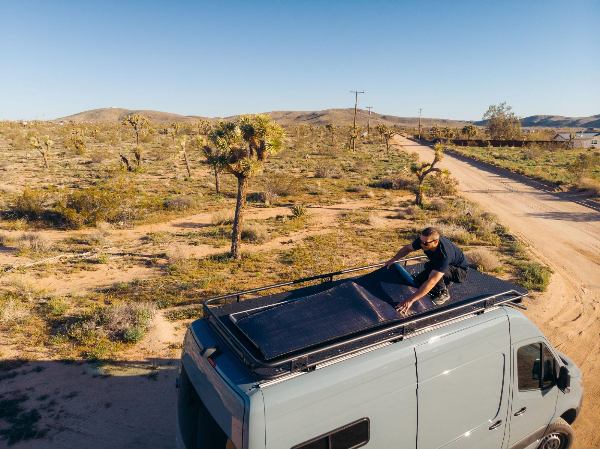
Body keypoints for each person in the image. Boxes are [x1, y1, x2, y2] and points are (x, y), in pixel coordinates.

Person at [385, 227, 468, 316]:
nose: (422, 245)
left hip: (459, 271)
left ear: (435, 242)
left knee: (433, 271)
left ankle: (442, 292)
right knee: (420, 279)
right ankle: (444, 279)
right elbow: (407, 248)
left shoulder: (444, 256)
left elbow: (431, 282)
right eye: (420, 241)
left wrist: (410, 300)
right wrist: (394, 259)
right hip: (441, 265)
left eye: (425, 243)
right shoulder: (424, 241)